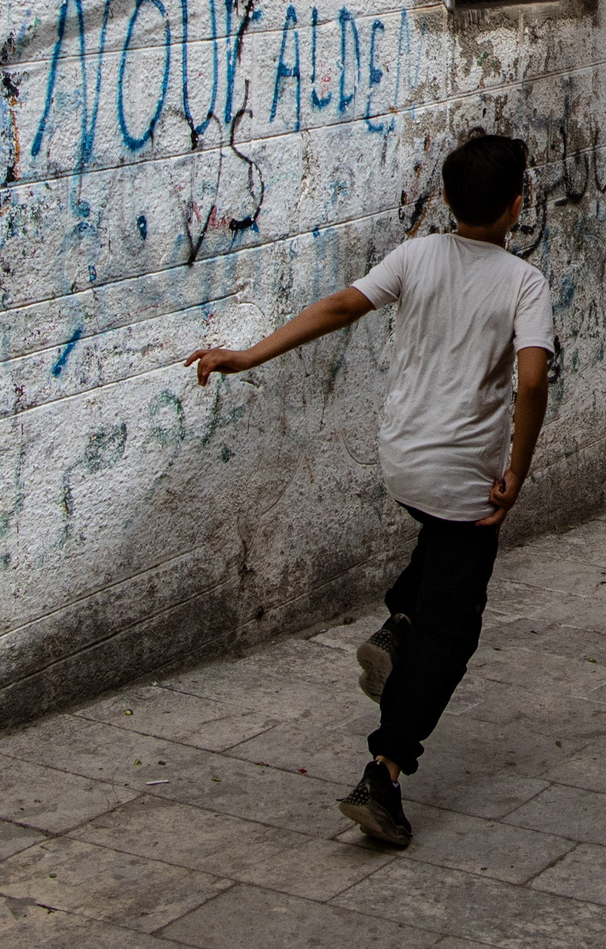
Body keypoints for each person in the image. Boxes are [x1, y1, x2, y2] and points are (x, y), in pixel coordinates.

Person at [185, 134, 554, 849]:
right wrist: (520, 466)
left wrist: (246, 353)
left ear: (445, 200)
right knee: (454, 633)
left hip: (402, 462)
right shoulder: (522, 281)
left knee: (436, 548)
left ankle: (398, 622)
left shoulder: (416, 255)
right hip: (462, 482)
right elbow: (533, 379)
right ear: (517, 206)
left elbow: (337, 307)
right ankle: (383, 771)